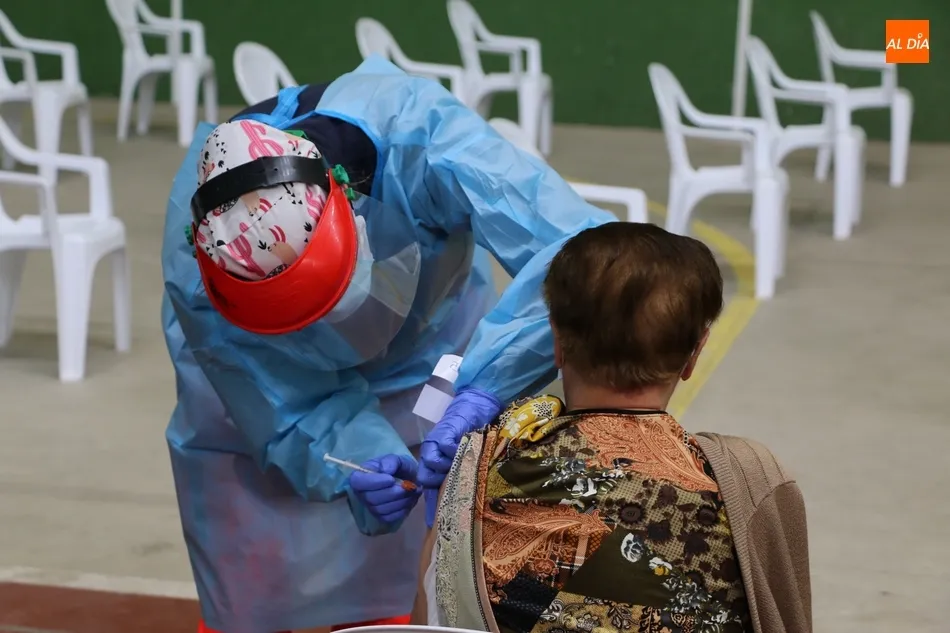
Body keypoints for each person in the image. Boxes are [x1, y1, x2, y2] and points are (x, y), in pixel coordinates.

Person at [161, 55, 616, 633]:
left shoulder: (421, 135)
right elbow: (279, 397)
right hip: (266, 391)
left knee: (421, 564)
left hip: (434, 347)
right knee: (264, 569)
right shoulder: (202, 263)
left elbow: (581, 254)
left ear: (348, 201)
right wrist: (351, 464)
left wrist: (482, 386)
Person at [411, 222, 812, 633]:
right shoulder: (748, 481)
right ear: (695, 353)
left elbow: (427, 619)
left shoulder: (474, 472)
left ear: (557, 343)